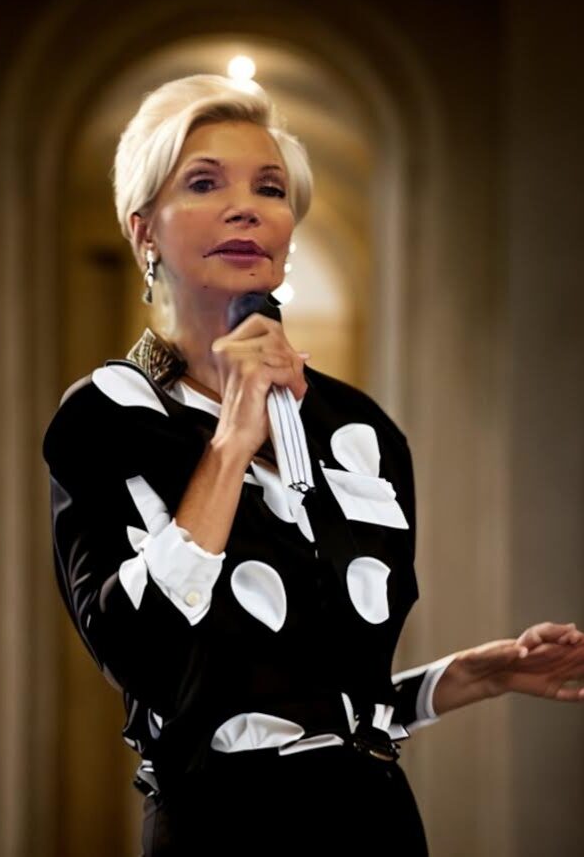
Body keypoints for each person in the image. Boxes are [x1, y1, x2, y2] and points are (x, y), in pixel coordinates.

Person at [42, 74, 584, 856]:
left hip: (376, 819)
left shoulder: (362, 428)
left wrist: (472, 675)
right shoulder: (106, 417)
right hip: (218, 823)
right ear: (144, 232)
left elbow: (332, 703)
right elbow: (144, 655)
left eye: (269, 188)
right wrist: (231, 440)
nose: (246, 206)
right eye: (203, 182)